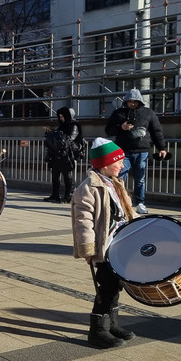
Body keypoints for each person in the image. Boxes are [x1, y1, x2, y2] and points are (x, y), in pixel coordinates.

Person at [71, 138, 138, 349]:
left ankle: (112, 325)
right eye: (118, 161)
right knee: (106, 287)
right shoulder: (89, 187)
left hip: (119, 244)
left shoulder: (114, 183)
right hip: (105, 247)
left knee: (116, 285)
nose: (122, 165)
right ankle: (98, 331)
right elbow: (83, 220)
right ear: (105, 163)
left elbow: (128, 211)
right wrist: (88, 248)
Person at [105, 89, 168, 214]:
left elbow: (157, 131)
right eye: (130, 102)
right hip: (123, 151)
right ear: (126, 102)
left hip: (141, 150)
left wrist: (161, 148)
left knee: (140, 179)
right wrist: (121, 128)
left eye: (135, 102)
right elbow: (108, 130)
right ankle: (119, 201)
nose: (132, 104)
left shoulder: (148, 113)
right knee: (120, 177)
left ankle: (140, 203)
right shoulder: (118, 113)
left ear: (139, 102)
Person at [43, 107, 84, 204]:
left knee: (66, 175)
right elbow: (60, 137)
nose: (61, 118)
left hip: (68, 155)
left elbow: (69, 139)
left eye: (63, 116)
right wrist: (51, 133)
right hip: (59, 154)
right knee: (55, 175)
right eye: (60, 116)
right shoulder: (62, 126)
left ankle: (67, 195)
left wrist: (53, 133)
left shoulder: (74, 126)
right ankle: (55, 195)